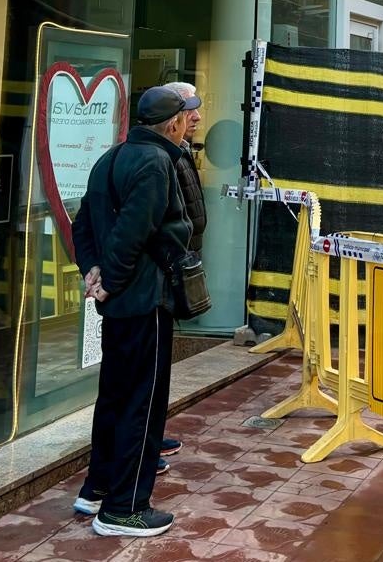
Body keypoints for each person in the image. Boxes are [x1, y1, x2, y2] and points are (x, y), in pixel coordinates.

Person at [70, 85, 199, 537]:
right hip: (143, 300)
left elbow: (81, 223)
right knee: (142, 405)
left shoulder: (111, 158)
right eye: (186, 116)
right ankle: (123, 509)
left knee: (115, 396)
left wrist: (92, 270)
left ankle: (96, 488)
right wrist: (110, 283)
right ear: (173, 123)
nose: (189, 122)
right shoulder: (157, 161)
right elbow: (133, 232)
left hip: (119, 300)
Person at [153, 82, 207, 474]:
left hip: (176, 266)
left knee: (158, 365)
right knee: (145, 371)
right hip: (158, 277)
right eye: (189, 109)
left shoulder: (182, 153)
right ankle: (143, 446)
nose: (196, 117)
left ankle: (152, 435)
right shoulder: (158, 160)